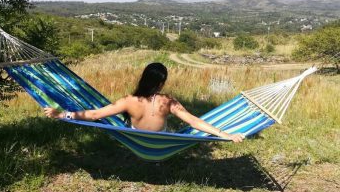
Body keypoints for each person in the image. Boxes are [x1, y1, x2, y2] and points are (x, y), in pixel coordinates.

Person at [44, 62, 244, 143]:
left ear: (143, 79)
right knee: (178, 129)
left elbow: (94, 115)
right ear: (161, 82)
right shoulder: (168, 101)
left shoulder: (128, 101)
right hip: (162, 142)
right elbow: (193, 121)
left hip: (137, 141)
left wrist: (61, 114)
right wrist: (225, 135)